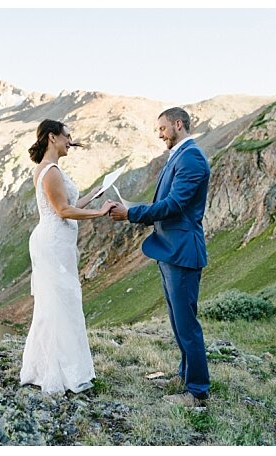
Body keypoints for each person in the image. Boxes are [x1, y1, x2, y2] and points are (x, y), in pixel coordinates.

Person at [108, 107, 210, 410]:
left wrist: (131, 213)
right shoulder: (179, 155)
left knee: (187, 325)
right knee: (178, 322)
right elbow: (166, 202)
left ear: (178, 124)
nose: (160, 134)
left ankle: (197, 392)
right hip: (169, 250)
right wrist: (133, 208)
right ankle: (184, 376)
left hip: (182, 252)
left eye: (163, 128)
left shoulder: (191, 157)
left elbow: (175, 205)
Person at [21, 119, 108, 394]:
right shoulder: (52, 171)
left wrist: (94, 196)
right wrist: (100, 213)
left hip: (55, 242)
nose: (71, 141)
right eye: (67, 136)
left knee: (57, 304)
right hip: (53, 243)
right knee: (62, 303)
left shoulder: (46, 170)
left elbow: (67, 205)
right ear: (52, 137)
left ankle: (48, 368)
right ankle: (62, 373)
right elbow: (62, 210)